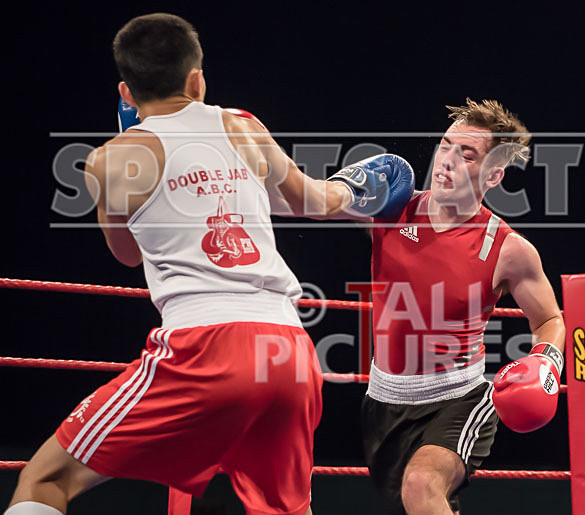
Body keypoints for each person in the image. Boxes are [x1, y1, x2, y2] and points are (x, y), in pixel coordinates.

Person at [4, 13, 412, 515]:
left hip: (205, 347)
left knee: (45, 479)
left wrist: (131, 139)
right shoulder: (243, 126)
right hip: (289, 351)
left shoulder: (108, 161)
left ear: (125, 91)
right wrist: (357, 187)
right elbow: (314, 200)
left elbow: (127, 253)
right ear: (197, 79)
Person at [361, 98, 566, 514]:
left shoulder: (507, 249)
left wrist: (545, 365)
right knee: (422, 502)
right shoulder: (392, 209)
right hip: (383, 400)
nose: (447, 160)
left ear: (494, 174)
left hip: (459, 398)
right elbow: (313, 202)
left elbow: (549, 319)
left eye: (466, 153)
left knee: (421, 487)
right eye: (447, 145)